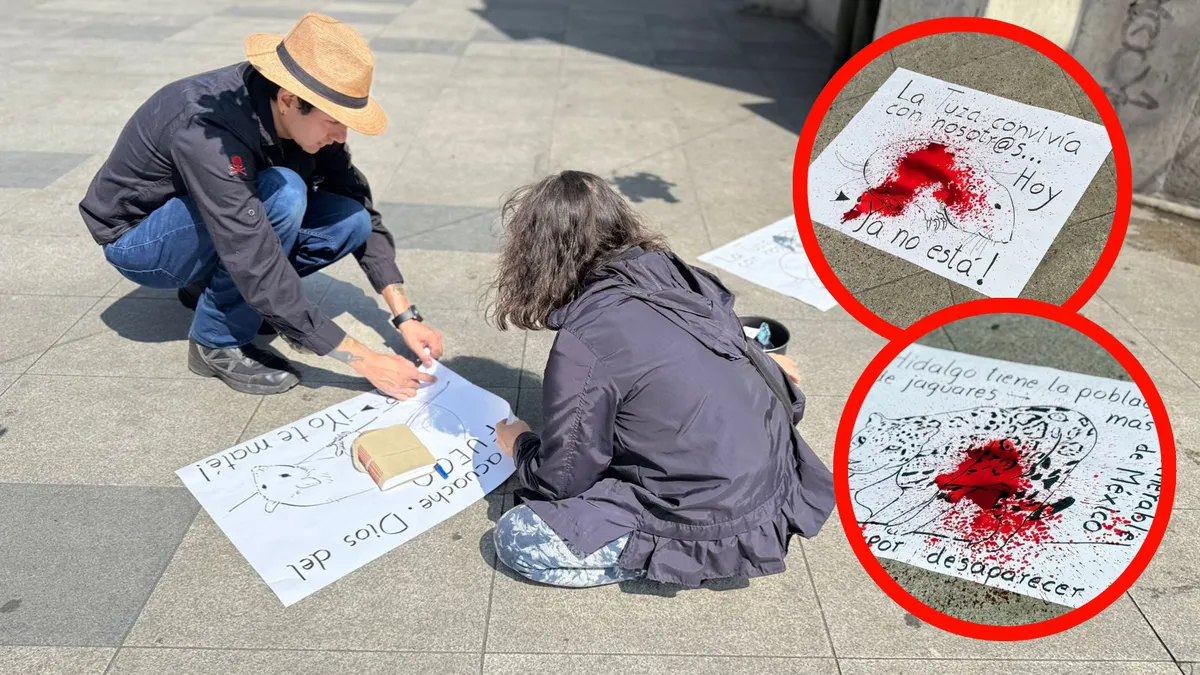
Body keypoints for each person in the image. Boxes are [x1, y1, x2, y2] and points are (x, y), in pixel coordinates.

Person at [488, 171, 835, 588]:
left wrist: (521, 447)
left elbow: (563, 479)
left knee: (516, 538)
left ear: (536, 255)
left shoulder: (586, 337)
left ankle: (665, 558)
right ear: (617, 220)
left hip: (713, 516)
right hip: (774, 476)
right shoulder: (674, 270)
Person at [78, 13, 442, 399]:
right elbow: (251, 251)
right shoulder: (207, 127)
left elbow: (361, 207)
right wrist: (362, 359)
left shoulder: (304, 119)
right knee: (283, 192)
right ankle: (215, 343)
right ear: (289, 99)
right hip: (141, 241)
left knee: (350, 221)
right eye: (334, 121)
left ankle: (209, 288)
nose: (341, 135)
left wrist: (404, 316)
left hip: (219, 220)